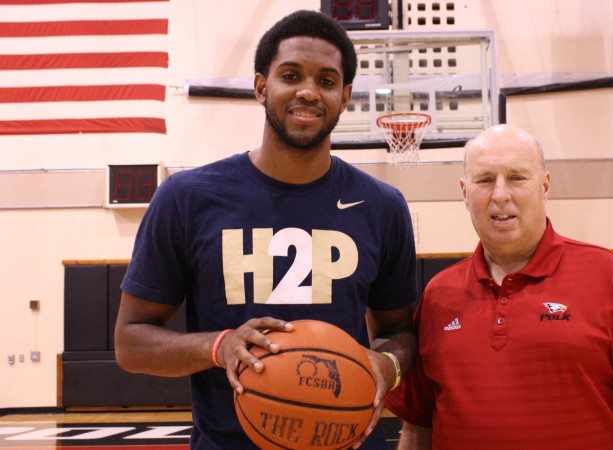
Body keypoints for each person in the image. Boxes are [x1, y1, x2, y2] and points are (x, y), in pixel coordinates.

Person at [114, 10, 417, 450]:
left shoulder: (382, 206)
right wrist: (218, 346)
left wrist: (388, 363)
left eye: (327, 81)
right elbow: (130, 341)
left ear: (345, 96)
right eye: (290, 75)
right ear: (261, 86)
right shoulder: (186, 198)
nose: (309, 92)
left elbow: (400, 331)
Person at [384, 124, 613, 449]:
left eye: (516, 178)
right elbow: (417, 425)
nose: (500, 195)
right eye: (485, 180)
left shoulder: (611, 277)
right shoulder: (438, 294)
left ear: (545, 186)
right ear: (464, 192)